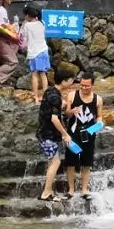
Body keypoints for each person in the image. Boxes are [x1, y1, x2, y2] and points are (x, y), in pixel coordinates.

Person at [37, 69, 77, 201]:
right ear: (64, 81)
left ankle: (49, 191)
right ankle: (46, 193)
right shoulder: (55, 97)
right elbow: (54, 119)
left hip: (45, 133)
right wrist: (65, 134)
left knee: (52, 162)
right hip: (47, 135)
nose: (72, 82)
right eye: (71, 80)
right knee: (55, 162)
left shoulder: (50, 91)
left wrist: (64, 107)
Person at [63, 73, 103, 199]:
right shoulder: (72, 95)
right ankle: (71, 189)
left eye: (87, 86)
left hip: (89, 133)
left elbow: (100, 116)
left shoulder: (98, 99)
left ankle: (84, 190)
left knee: (87, 162)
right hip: (73, 132)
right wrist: (71, 112)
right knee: (70, 162)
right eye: (82, 85)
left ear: (92, 85)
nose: (84, 88)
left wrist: (98, 125)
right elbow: (66, 114)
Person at [20, 5, 49, 104]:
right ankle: (45, 97)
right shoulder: (42, 23)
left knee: (35, 75)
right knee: (43, 75)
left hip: (35, 53)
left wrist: (24, 24)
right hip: (44, 51)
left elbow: (23, 36)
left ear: (28, 15)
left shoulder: (27, 25)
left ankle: (36, 97)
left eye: (25, 16)